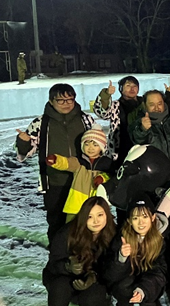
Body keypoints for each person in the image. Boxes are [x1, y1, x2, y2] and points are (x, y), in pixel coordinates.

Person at [15, 83, 95, 242]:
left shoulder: (86, 119)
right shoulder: (41, 123)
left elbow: (98, 145)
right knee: (56, 222)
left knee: (85, 220)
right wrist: (23, 142)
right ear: (51, 101)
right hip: (54, 182)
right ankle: (57, 253)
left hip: (82, 180)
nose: (66, 104)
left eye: (70, 99)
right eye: (61, 100)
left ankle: (83, 253)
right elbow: (26, 153)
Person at [42, 197, 116, 306]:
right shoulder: (67, 232)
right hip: (65, 277)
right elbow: (52, 264)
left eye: (100, 215)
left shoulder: (114, 233)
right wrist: (67, 267)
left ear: (107, 215)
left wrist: (94, 276)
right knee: (58, 287)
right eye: (90, 216)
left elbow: (112, 266)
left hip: (93, 279)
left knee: (92, 301)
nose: (96, 221)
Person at [105, 194, 168, 306]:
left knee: (155, 280)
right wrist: (121, 257)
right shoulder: (121, 239)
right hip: (128, 278)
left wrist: (143, 290)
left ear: (153, 217)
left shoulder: (161, 238)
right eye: (135, 218)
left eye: (145, 217)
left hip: (149, 280)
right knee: (122, 285)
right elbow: (110, 275)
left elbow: (160, 271)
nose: (141, 223)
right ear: (129, 220)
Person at [46, 126, 112, 222]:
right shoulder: (79, 162)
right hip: (76, 205)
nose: (90, 148)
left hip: (96, 204)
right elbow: (67, 163)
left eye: (95, 145)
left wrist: (102, 178)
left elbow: (111, 176)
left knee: (95, 226)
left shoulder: (107, 163)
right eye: (87, 144)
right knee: (71, 227)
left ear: (102, 147)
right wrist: (56, 160)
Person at [130, 90, 170, 171]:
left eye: (159, 104)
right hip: (158, 173)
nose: (156, 108)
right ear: (145, 105)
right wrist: (143, 129)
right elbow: (138, 139)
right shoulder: (138, 123)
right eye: (152, 105)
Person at [93, 76, 143, 165]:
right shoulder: (116, 105)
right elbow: (102, 113)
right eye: (128, 86)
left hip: (142, 144)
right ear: (121, 89)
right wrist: (106, 95)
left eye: (135, 86)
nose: (132, 88)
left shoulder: (144, 103)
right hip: (121, 147)